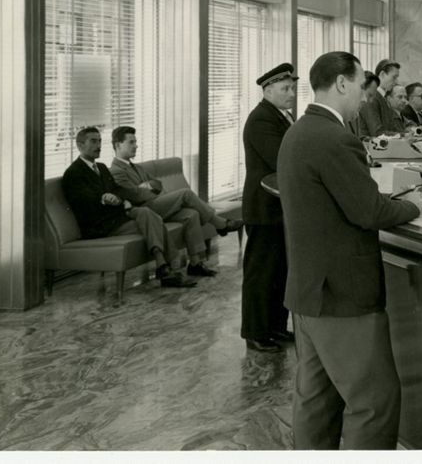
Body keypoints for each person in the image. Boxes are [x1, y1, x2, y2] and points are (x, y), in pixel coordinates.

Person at [279, 51, 422, 450]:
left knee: (316, 401)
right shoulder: (336, 137)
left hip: (308, 294)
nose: (364, 95)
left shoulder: (297, 132)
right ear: (342, 83)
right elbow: (370, 210)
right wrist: (414, 205)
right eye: (361, 85)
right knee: (373, 402)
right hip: (343, 297)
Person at [61, 127, 196, 288]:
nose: (98, 145)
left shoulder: (102, 168)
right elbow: (82, 202)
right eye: (93, 141)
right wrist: (103, 199)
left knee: (147, 213)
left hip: (117, 216)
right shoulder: (73, 173)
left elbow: (117, 190)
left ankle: (164, 266)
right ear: (80, 145)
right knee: (153, 219)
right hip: (100, 225)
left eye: (99, 141)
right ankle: (167, 267)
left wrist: (125, 198)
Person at [108, 125, 243, 272]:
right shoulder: (116, 171)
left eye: (135, 142)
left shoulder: (137, 167)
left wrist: (146, 187)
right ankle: (220, 224)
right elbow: (135, 195)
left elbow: (158, 185)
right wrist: (146, 188)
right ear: (117, 145)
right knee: (186, 193)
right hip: (145, 211)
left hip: (155, 205)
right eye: (131, 142)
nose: (136, 145)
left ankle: (195, 263)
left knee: (192, 214)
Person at [241, 62, 298, 353]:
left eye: (292, 88)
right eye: (285, 89)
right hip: (264, 207)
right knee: (261, 272)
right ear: (268, 90)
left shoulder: (280, 116)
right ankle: (256, 332)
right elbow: (281, 158)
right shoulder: (262, 119)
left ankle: (275, 326)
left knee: (279, 272)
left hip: (277, 208)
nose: (291, 93)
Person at [358, 59, 404, 138]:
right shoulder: (372, 97)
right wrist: (402, 135)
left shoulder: (383, 97)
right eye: (394, 77)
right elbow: (377, 132)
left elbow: (392, 127)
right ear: (382, 74)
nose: (396, 81)